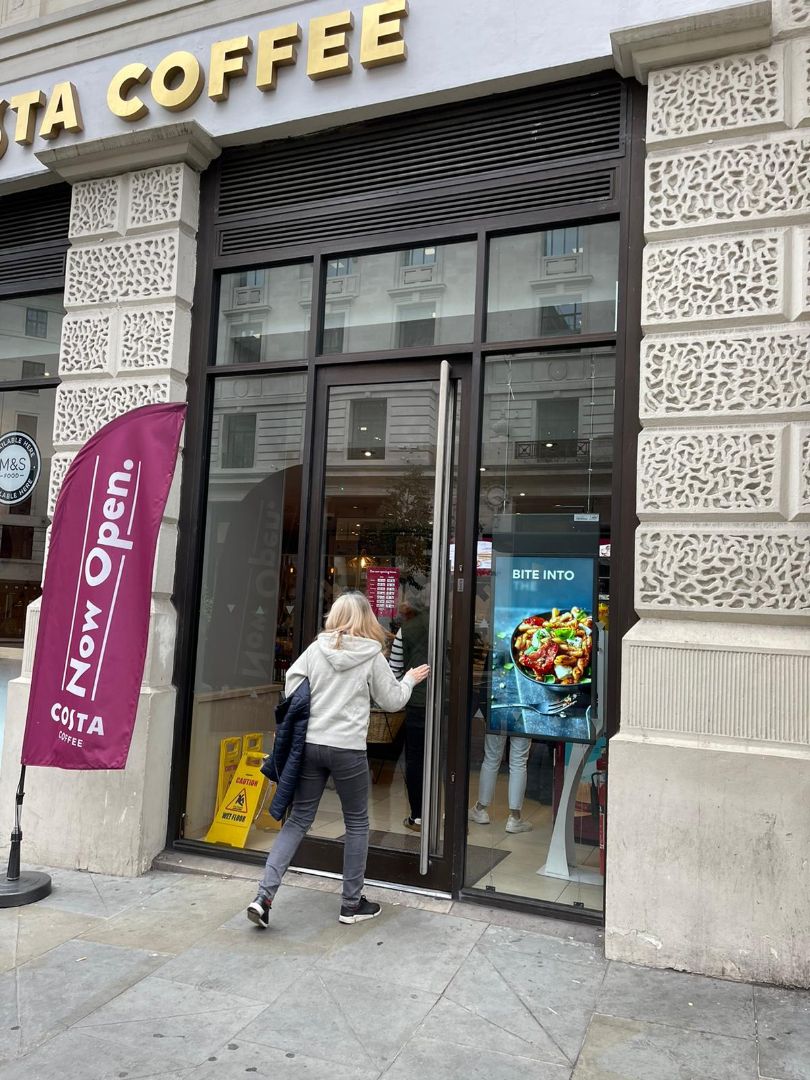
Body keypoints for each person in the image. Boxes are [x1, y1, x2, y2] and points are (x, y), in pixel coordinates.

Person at [247, 591, 429, 928]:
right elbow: (391, 701)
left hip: (311, 744)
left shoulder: (317, 649)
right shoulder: (372, 655)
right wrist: (409, 680)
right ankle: (350, 904)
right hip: (347, 749)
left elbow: (292, 686)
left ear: (336, 615)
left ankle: (264, 896)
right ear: (366, 618)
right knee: (357, 823)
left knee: (298, 820)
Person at [388, 587, 429, 832]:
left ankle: (418, 815)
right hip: (446, 702)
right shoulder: (452, 624)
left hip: (416, 701)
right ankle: (443, 811)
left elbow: (394, 670)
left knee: (415, 759)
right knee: (445, 759)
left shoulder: (407, 629)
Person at [468, 730, 533, 833]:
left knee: (491, 758)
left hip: (498, 715)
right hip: (522, 715)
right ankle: (515, 818)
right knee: (519, 761)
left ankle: (480, 809)